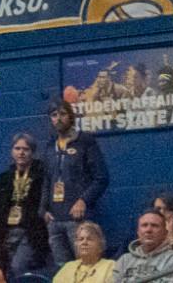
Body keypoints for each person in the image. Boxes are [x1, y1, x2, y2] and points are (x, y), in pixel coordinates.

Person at [46, 99, 110, 263]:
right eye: (54, 115)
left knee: (86, 264)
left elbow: (101, 178)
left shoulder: (85, 141)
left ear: (71, 116)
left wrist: (83, 201)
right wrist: (43, 209)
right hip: (54, 220)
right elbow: (46, 180)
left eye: (62, 114)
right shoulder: (50, 146)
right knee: (63, 269)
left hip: (78, 219)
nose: (58, 118)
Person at [0, 131, 50, 278]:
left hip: (29, 232)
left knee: (18, 267)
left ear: (32, 152)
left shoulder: (41, 175)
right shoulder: (4, 177)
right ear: (12, 151)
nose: (21, 153)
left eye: (25, 149)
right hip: (6, 231)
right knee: (4, 270)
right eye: (17, 148)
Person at [115, 212, 173, 283]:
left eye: (155, 226)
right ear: (138, 232)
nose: (148, 230)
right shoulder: (124, 260)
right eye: (144, 225)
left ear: (165, 233)